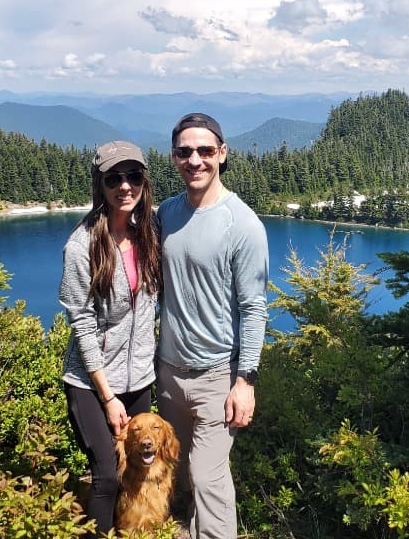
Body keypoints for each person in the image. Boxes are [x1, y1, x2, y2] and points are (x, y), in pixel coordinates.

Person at [156, 112, 269, 539]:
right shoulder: (166, 214)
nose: (195, 160)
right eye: (185, 152)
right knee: (184, 471)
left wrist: (246, 381)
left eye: (205, 150)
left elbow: (254, 308)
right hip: (167, 376)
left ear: (222, 153)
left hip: (216, 378)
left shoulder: (242, 224)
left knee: (208, 478)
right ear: (174, 157)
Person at [59, 140, 161, 537]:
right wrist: (107, 396)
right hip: (90, 382)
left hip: (138, 379)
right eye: (114, 178)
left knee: (138, 469)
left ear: (143, 181)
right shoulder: (81, 245)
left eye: (133, 176)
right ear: (99, 185)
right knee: (106, 475)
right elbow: (82, 325)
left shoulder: (148, 233)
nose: (124, 187)